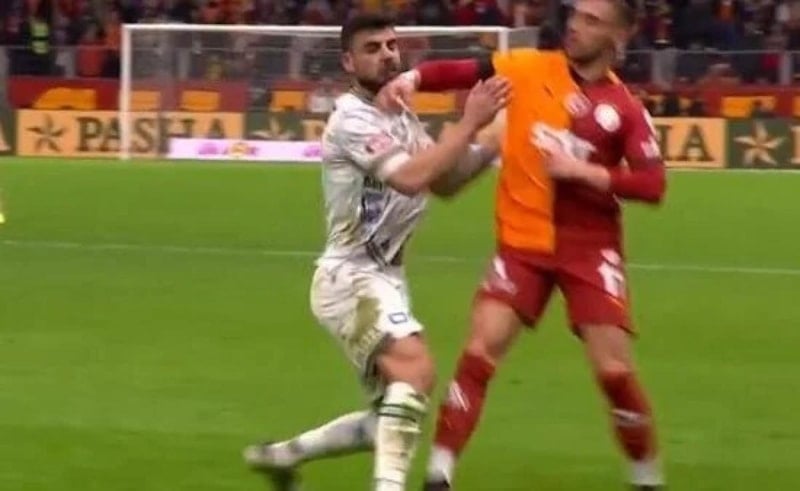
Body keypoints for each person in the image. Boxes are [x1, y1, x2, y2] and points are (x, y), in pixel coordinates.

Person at [377, 1, 667, 489]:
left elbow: (653, 185)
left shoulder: (625, 109)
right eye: (576, 15)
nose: (575, 25)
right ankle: (439, 473)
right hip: (522, 242)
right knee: (479, 350)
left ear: (619, 36)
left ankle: (647, 479)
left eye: (592, 20)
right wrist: (413, 79)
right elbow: (468, 69)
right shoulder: (531, 69)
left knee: (614, 372)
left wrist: (585, 172)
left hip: (590, 248)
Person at [242, 13, 510, 491]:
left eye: (391, 45)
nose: (387, 55)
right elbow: (411, 177)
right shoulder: (353, 118)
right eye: (372, 48)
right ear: (348, 61)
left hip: (384, 277)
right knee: (416, 370)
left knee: (393, 414)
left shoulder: (399, 112)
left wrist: (493, 138)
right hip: (351, 276)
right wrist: (470, 120)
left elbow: (445, 181)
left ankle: (283, 456)